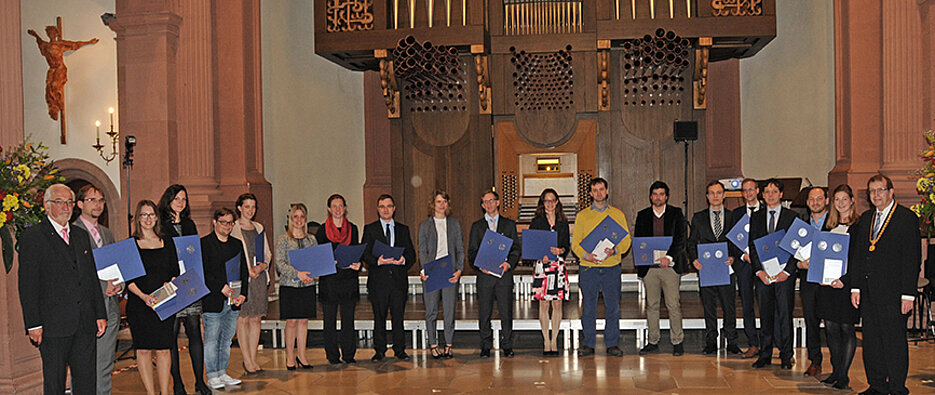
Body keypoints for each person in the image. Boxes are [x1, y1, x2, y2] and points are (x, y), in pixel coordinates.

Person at [17, 183, 106, 394]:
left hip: (84, 323)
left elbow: (90, 278)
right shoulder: (34, 237)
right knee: (55, 382)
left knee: (86, 381)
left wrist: (99, 314)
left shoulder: (80, 235)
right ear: (47, 206)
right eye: (59, 202)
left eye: (69, 202)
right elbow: (28, 284)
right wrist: (33, 324)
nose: (66, 207)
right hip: (53, 326)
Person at [844, 174, 920, 395]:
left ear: (891, 192)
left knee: (893, 342)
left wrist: (908, 294)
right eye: (872, 191)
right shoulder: (866, 219)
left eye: (880, 190)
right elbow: (858, 256)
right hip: (868, 293)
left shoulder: (905, 218)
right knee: (872, 341)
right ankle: (876, 384)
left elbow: (911, 259)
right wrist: (856, 287)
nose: (876, 195)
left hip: (894, 293)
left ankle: (897, 387)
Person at [158, 184, 210, 395]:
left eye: (184, 199)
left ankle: (200, 380)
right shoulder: (160, 226)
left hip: (190, 283)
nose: (181, 202)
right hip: (170, 284)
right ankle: (177, 383)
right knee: (170, 337)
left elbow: (195, 253)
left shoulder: (189, 224)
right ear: (168, 200)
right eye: (177, 198)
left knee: (194, 332)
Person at [571, 177, 632, 357]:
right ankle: (588, 343)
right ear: (590, 193)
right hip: (588, 268)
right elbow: (575, 243)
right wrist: (585, 255)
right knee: (588, 307)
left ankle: (612, 343)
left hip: (611, 268)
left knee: (612, 307)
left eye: (601, 189)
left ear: (607, 191)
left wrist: (615, 250)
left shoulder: (617, 214)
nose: (598, 193)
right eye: (595, 190)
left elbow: (626, 240)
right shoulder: (582, 215)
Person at [126, 200, 181, 395]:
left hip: (165, 303)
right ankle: (150, 392)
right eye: (144, 215)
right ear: (138, 218)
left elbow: (175, 271)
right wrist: (143, 296)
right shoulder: (131, 244)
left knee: (164, 349)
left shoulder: (167, 242)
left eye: (151, 214)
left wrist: (170, 283)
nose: (148, 219)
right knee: (143, 350)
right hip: (140, 305)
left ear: (157, 217)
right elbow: (128, 278)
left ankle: (165, 392)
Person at [72, 184, 121, 394]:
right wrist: (104, 285)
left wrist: (119, 285)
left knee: (104, 365)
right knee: (83, 366)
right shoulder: (73, 232)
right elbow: (75, 273)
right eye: (92, 200)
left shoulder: (107, 233)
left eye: (101, 200)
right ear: (80, 204)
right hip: (86, 310)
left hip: (109, 308)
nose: (98, 204)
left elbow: (117, 266)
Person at [749, 178, 799, 369]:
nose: (770, 195)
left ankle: (786, 355)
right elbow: (752, 246)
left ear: (781, 194)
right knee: (765, 315)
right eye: (767, 192)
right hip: (764, 276)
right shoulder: (756, 216)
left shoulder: (792, 216)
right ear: (762, 194)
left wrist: (787, 271)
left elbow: (797, 247)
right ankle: (765, 354)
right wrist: (758, 271)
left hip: (784, 275)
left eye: (774, 191)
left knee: (785, 315)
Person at [688, 181, 742, 355]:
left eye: (719, 192)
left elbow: (737, 241)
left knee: (729, 306)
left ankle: (731, 340)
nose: (715, 196)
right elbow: (691, 242)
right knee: (709, 306)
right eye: (712, 193)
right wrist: (694, 259)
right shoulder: (698, 217)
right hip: (707, 269)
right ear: (707, 196)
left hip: (727, 268)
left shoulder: (733, 216)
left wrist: (733, 256)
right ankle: (711, 340)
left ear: (724, 195)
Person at [634, 181, 688, 356]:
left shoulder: (676, 213)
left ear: (666, 196)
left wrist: (669, 257)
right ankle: (653, 340)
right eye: (655, 194)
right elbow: (639, 241)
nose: (658, 197)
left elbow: (681, 238)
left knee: (673, 304)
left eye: (662, 194)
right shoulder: (642, 215)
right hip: (650, 268)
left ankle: (677, 341)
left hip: (670, 267)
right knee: (652, 305)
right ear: (651, 196)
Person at [361, 194, 416, 361]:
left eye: (389, 206)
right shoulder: (370, 229)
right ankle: (379, 350)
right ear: (378, 209)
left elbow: (411, 254)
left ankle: (400, 349)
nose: (386, 209)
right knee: (379, 317)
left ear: (394, 208)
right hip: (379, 281)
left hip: (398, 281)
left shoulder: (403, 229)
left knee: (398, 317)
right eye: (382, 206)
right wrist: (376, 261)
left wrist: (403, 260)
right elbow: (364, 252)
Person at [468, 190, 521, 358]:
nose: (488, 204)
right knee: (484, 312)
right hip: (484, 276)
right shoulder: (477, 226)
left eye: (491, 201)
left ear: (498, 202)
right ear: (482, 205)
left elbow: (516, 249)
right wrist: (480, 265)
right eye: (485, 202)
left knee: (506, 312)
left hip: (504, 275)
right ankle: (485, 345)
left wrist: (509, 263)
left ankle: (507, 345)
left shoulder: (509, 224)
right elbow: (472, 252)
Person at [817, 184, 860, 390]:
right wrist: (818, 272)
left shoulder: (859, 225)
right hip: (828, 284)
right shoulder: (829, 223)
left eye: (844, 199)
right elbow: (821, 252)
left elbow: (858, 259)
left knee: (846, 328)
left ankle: (844, 375)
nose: (840, 203)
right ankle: (835, 371)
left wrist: (846, 279)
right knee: (831, 327)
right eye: (837, 199)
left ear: (852, 200)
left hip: (846, 284)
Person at [201, 208, 249, 389]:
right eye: (224, 222)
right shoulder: (205, 244)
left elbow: (243, 271)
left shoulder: (236, 244)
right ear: (214, 222)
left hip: (233, 300)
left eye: (230, 223)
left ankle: (222, 372)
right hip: (213, 300)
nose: (228, 226)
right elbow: (203, 273)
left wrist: (243, 293)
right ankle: (212, 374)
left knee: (227, 339)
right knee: (212, 339)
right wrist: (219, 286)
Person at [314, 194, 362, 365]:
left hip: (348, 279)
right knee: (330, 321)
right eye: (334, 206)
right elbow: (318, 257)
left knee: (348, 320)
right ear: (329, 209)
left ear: (345, 208)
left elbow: (356, 251)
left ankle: (349, 355)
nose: (337, 209)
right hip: (330, 281)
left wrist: (358, 264)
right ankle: (332, 356)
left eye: (340, 205)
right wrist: (329, 261)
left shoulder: (353, 229)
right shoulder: (321, 230)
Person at [418, 190, 464, 359]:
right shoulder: (425, 225)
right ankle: (433, 344)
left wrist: (459, 270)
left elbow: (460, 248)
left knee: (449, 310)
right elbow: (422, 250)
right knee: (431, 311)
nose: (442, 205)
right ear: (433, 204)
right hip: (432, 272)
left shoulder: (454, 224)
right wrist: (425, 270)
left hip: (450, 272)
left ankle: (449, 344)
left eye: (444, 201)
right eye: (438, 201)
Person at [230, 193, 272, 374]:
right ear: (239, 208)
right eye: (246, 206)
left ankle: (253, 358)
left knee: (256, 319)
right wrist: (248, 270)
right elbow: (232, 256)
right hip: (243, 279)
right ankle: (246, 360)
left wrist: (262, 266)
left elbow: (267, 253)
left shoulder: (259, 227)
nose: (250, 210)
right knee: (243, 318)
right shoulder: (233, 228)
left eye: (253, 207)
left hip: (259, 278)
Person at [274, 203, 317, 370]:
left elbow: (315, 261)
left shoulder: (311, 239)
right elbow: (279, 264)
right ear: (291, 219)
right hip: (289, 286)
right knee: (291, 321)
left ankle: (302, 356)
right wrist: (297, 274)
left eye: (302, 216)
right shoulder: (283, 239)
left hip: (308, 285)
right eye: (295, 217)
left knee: (304, 321)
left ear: (305, 219)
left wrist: (311, 275)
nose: (299, 220)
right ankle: (290, 357)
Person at [529, 188, 571, 356]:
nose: (550, 203)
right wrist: (541, 255)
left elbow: (566, 245)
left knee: (557, 303)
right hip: (543, 266)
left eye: (553, 200)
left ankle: (555, 340)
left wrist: (561, 250)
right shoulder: (536, 222)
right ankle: (546, 341)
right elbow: (532, 245)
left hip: (558, 266)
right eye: (546, 200)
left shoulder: (563, 222)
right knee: (544, 304)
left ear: (557, 202)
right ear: (542, 203)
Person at [797, 186, 829, 377]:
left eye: (819, 199)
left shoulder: (834, 225)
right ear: (807, 202)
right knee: (811, 321)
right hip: (808, 281)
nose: (815, 202)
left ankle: (838, 363)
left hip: (829, 282)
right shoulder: (801, 228)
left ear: (826, 200)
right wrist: (800, 264)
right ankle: (815, 361)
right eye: (811, 199)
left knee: (833, 324)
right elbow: (792, 254)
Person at [731, 178, 762, 358]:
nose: (748, 193)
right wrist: (743, 255)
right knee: (747, 304)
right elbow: (731, 240)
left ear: (757, 191)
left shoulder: (767, 211)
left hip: (764, 265)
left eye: (751, 189)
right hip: (743, 264)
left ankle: (769, 343)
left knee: (766, 304)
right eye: (745, 190)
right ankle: (753, 343)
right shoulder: (736, 214)